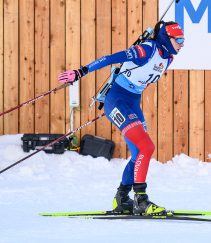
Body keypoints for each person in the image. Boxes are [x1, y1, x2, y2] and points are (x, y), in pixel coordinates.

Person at [58, 21, 185, 216]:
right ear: (167, 39)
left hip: (132, 102)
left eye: (183, 40)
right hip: (117, 101)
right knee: (147, 147)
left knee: (138, 154)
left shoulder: (168, 58)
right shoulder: (146, 50)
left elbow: (144, 78)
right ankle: (141, 201)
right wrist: (80, 72)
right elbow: (110, 58)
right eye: (179, 40)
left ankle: (121, 198)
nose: (182, 44)